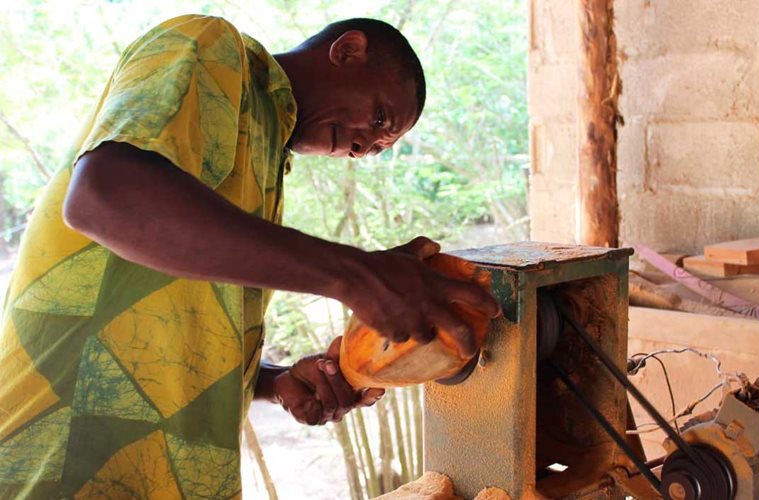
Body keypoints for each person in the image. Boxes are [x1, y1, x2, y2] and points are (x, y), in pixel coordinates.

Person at [0, 14, 500, 499]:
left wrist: (274, 382)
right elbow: (103, 196)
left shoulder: (266, 155)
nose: (362, 146)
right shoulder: (212, 48)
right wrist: (354, 274)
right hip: (62, 461)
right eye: (379, 118)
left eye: (374, 148)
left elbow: (174, 318)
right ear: (348, 51)